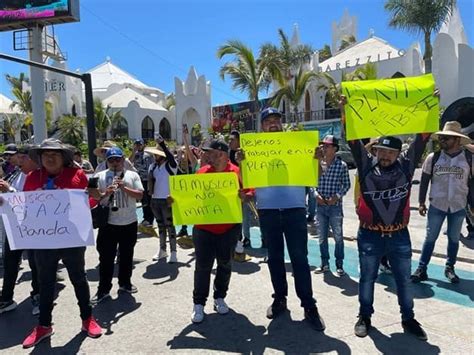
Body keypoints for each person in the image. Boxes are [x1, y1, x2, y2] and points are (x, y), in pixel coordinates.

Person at [341, 94, 434, 341]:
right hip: (369, 235)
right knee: (367, 277)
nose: (385, 156)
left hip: (399, 235)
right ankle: (364, 316)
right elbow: (351, 137)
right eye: (382, 151)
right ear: (377, 150)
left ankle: (408, 319)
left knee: (404, 279)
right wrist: (345, 110)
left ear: (397, 154)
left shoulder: (406, 165)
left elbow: (422, 138)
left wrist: (430, 106)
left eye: (391, 152)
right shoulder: (365, 164)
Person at [239, 107, 325, 331]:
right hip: (267, 212)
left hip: (295, 210)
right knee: (275, 258)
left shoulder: (298, 145)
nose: (273, 124)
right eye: (268, 121)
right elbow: (249, 181)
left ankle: (309, 305)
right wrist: (242, 162)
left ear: (282, 123)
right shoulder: (254, 149)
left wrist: (317, 160)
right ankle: (280, 299)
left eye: (277, 120)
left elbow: (316, 177)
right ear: (262, 126)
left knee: (300, 259)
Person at [22, 139, 101, 348]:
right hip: (44, 240)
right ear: (39, 158)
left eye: (54, 154)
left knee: (79, 279)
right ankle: (44, 325)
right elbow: (23, 207)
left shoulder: (78, 176)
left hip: (72, 238)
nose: (49, 157)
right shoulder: (31, 178)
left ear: (63, 157)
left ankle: (87, 319)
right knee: (45, 282)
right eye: (45, 154)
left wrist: (96, 197)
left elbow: (89, 204)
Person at [181, 139, 251, 323]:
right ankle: (198, 303)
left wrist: (246, 195)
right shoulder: (202, 172)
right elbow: (189, 197)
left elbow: (250, 191)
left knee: (225, 264)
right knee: (202, 266)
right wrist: (176, 200)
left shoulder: (237, 172)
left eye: (210, 152)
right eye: (206, 153)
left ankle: (219, 296)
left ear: (221, 154)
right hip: (204, 229)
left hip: (229, 229)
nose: (206, 155)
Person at [411, 121, 473, 284]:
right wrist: (421, 202)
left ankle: (450, 268)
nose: (442, 140)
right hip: (437, 204)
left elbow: (472, 182)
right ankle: (421, 268)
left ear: (457, 140)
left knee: (453, 238)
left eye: (447, 138)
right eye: (442, 138)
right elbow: (424, 180)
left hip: (459, 205)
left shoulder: (468, 158)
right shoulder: (434, 158)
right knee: (430, 237)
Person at [89, 147, 144, 303]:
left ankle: (125, 283)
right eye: (111, 160)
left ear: (123, 160)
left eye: (117, 159)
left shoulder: (132, 175)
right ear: (107, 161)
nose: (114, 163)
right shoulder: (99, 175)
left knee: (127, 256)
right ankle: (103, 289)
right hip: (108, 223)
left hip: (129, 222)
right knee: (106, 258)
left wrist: (123, 187)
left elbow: (140, 195)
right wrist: (105, 193)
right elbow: (92, 193)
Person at [0, 145, 40, 316]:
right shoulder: (17, 174)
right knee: (10, 263)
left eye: (22, 158)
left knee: (35, 264)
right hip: (15, 226)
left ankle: (38, 296)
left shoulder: (37, 177)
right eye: (18, 157)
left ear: (32, 159)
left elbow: (30, 200)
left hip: (33, 228)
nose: (18, 161)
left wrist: (9, 190)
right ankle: (6, 298)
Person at [313, 135, 350, 276]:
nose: (323, 148)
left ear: (334, 148)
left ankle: (339, 265)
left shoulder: (342, 166)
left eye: (327, 146)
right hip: (320, 206)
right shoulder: (317, 163)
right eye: (323, 145)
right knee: (322, 236)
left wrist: (337, 197)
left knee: (338, 236)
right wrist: (316, 195)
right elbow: (311, 183)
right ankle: (324, 263)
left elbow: (347, 185)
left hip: (335, 207)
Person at [146, 137, 179, 262]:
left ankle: (174, 251)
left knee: (170, 226)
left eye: (157, 154)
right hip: (155, 200)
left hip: (167, 200)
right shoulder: (153, 167)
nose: (155, 156)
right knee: (160, 226)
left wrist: (163, 145)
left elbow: (171, 159)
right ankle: (162, 249)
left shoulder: (171, 165)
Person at [129, 138, 155, 228]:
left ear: (143, 144)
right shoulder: (135, 154)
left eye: (140, 144)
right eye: (137, 144)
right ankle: (145, 218)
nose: (138, 146)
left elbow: (152, 167)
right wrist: (133, 151)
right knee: (143, 200)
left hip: (147, 179)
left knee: (149, 199)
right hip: (139, 180)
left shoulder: (148, 155)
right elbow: (128, 162)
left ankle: (150, 219)